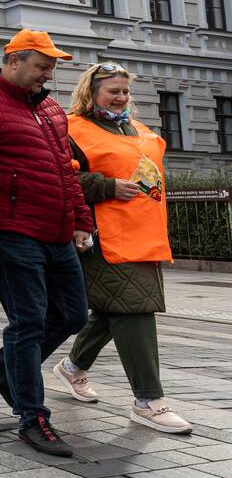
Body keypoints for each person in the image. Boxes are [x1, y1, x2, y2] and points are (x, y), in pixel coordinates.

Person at [0, 29, 93, 457]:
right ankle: (33, 417)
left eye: (50, 68)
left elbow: (67, 172)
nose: (47, 75)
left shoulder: (49, 108)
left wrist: (81, 220)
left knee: (71, 313)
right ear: (13, 62)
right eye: (42, 66)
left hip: (55, 230)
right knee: (27, 321)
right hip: (9, 230)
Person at [52, 63, 191, 433]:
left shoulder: (138, 129)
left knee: (119, 306)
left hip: (143, 233)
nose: (121, 97)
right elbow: (61, 176)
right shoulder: (72, 128)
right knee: (134, 309)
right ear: (90, 92)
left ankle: (71, 367)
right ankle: (149, 401)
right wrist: (107, 186)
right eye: (113, 91)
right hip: (102, 235)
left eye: (125, 91)